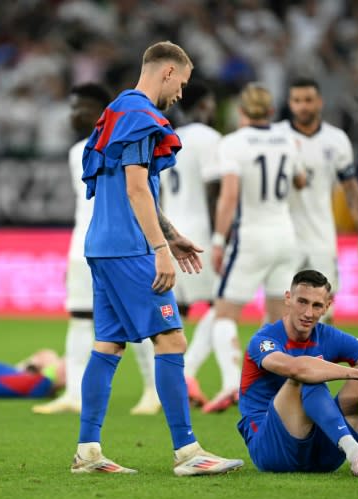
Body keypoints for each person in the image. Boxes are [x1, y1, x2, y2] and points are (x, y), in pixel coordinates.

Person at [72, 40, 243, 476]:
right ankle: (188, 452)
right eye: (182, 83)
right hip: (129, 248)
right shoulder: (142, 116)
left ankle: (88, 451)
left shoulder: (116, 111)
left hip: (102, 245)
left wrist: (173, 234)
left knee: (107, 345)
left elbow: (133, 189)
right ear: (167, 72)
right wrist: (160, 250)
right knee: (171, 339)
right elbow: (134, 188)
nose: (182, 94)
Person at [32, 83, 160, 416]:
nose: (75, 114)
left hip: (120, 245)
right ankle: (73, 393)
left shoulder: (124, 144)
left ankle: (152, 391)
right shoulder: (77, 151)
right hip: (83, 246)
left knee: (138, 321)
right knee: (78, 319)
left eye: (83, 107)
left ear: (102, 112)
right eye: (73, 107)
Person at [237, 269, 358, 477]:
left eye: (316, 306)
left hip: (322, 454)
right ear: (288, 298)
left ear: (327, 307)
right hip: (272, 450)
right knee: (307, 376)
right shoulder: (264, 339)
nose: (308, 313)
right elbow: (296, 368)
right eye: (302, 302)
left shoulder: (327, 335)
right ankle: (356, 454)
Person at [203, 82, 305, 414]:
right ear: (272, 111)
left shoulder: (233, 142)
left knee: (223, 315)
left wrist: (219, 240)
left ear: (241, 111)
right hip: (285, 235)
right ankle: (270, 387)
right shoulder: (289, 139)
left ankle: (234, 381)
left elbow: (229, 196)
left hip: (251, 237)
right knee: (277, 319)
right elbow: (301, 180)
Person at [278, 77, 358, 323]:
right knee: (282, 308)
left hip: (322, 236)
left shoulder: (336, 139)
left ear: (319, 102)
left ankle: (316, 360)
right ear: (290, 103)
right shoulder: (277, 137)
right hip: (286, 237)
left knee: (323, 311)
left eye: (308, 100)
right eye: (297, 101)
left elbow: (350, 188)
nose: (303, 106)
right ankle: (276, 361)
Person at [158, 80, 222, 408]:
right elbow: (215, 189)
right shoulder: (208, 137)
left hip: (170, 230)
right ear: (203, 105)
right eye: (210, 103)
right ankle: (188, 373)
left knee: (176, 312)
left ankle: (171, 382)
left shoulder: (167, 136)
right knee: (219, 307)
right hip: (198, 233)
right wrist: (222, 236)